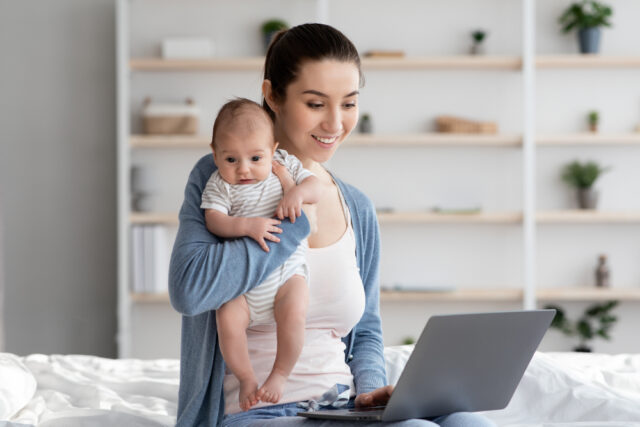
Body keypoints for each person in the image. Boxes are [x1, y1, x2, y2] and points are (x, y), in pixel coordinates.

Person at [169, 23, 496, 427]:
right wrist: (293, 227)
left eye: (349, 103)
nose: (335, 123)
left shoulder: (356, 206)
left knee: (468, 422)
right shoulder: (224, 174)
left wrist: (371, 394)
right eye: (316, 103)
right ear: (273, 95)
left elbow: (367, 332)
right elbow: (189, 289)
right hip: (260, 412)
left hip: (340, 406)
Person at [201, 98, 321, 410]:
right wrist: (246, 226)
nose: (244, 169)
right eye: (230, 159)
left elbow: (315, 187)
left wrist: (296, 191)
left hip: (285, 276)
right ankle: (247, 379)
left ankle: (280, 375)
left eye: (256, 157)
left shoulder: (284, 165)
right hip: (243, 286)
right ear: (215, 154)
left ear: (273, 149)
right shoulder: (219, 185)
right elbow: (214, 219)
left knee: (294, 313)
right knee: (227, 320)